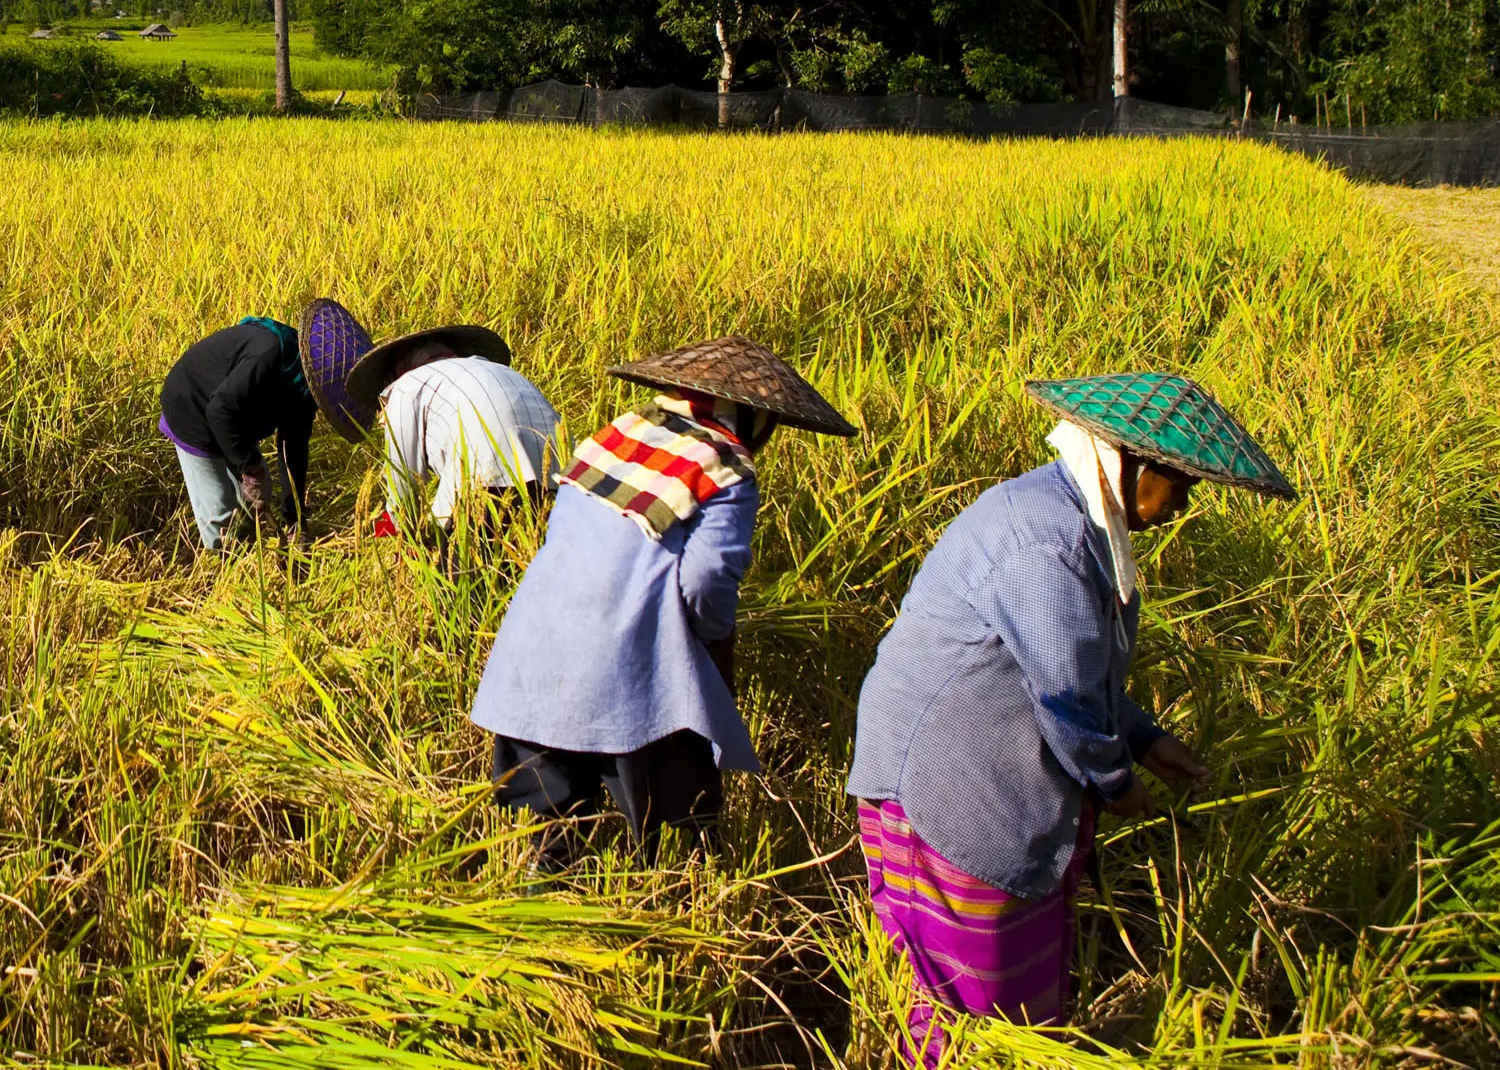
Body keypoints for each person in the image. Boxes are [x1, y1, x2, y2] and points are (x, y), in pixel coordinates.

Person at [846, 373, 1292, 1063]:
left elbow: (1074, 664)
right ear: (1130, 463)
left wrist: (1145, 740)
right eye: (1180, 484)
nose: (1181, 505)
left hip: (987, 759)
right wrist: (1117, 782)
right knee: (961, 1005)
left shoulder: (1077, 518)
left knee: (1007, 989)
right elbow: (1066, 697)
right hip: (941, 778)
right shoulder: (1046, 543)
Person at [468, 337, 858, 869]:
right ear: (752, 418)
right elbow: (708, 578)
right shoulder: (726, 467)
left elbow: (563, 533)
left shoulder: (614, 437)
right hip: (624, 652)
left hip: (536, 641)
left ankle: (545, 897)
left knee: (555, 824)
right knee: (680, 822)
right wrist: (711, 645)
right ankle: (674, 897)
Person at [157, 298, 373, 550]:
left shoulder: (307, 388)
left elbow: (292, 451)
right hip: (191, 407)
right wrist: (251, 468)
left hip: (234, 414)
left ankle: (252, 550)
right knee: (221, 507)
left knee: (250, 505)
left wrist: (297, 520)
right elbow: (219, 411)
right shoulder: (269, 355)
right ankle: (220, 572)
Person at [341, 322, 558, 544]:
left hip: (483, 476)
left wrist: (402, 532)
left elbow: (403, 477)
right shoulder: (501, 371)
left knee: (459, 570)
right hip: (559, 479)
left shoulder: (407, 385)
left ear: (398, 371)